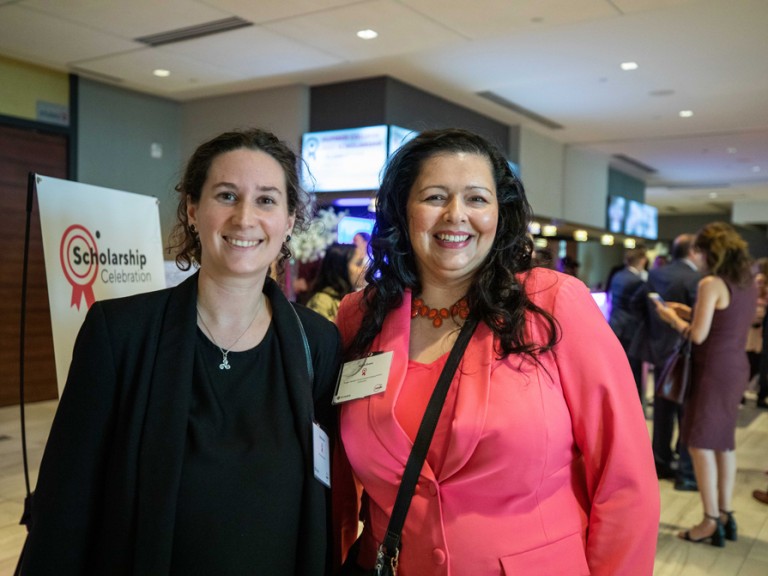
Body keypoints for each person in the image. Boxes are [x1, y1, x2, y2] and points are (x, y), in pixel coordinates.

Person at [333, 128, 659, 575]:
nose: (455, 215)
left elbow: (626, 481)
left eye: (477, 199)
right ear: (401, 211)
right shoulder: (359, 317)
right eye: (434, 197)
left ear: (500, 214)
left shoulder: (552, 303)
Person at [20, 129, 341, 575]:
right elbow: (65, 502)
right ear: (193, 210)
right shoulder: (120, 333)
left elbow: (327, 500)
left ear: (288, 221)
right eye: (227, 195)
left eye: (266, 200)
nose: (245, 218)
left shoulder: (318, 343)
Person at [653, 222, 756, 547]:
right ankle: (726, 515)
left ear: (711, 252)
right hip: (735, 368)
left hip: (712, 369)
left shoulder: (711, 283)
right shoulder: (746, 283)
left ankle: (709, 520)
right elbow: (724, 321)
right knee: (723, 443)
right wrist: (688, 311)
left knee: (699, 443)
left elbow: (698, 335)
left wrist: (670, 318)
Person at [645, 234, 700, 490]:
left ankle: (659, 461)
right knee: (685, 411)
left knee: (662, 407)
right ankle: (685, 467)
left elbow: (646, 308)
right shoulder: (697, 279)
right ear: (692, 252)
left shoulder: (657, 273)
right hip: (685, 350)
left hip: (659, 347)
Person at [608, 247, 649, 400]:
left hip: (616, 324)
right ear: (643, 260)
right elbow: (639, 306)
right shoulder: (637, 281)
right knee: (633, 370)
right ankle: (633, 402)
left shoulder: (618, 275)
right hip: (631, 329)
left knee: (617, 367)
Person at [306, 242, 358, 322]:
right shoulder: (322, 301)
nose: (364, 268)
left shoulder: (356, 298)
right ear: (341, 268)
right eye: (358, 263)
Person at [746, 257, 768, 406]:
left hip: (758, 332)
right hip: (754, 332)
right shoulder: (758, 284)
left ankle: (759, 394)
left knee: (755, 363)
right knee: (754, 363)